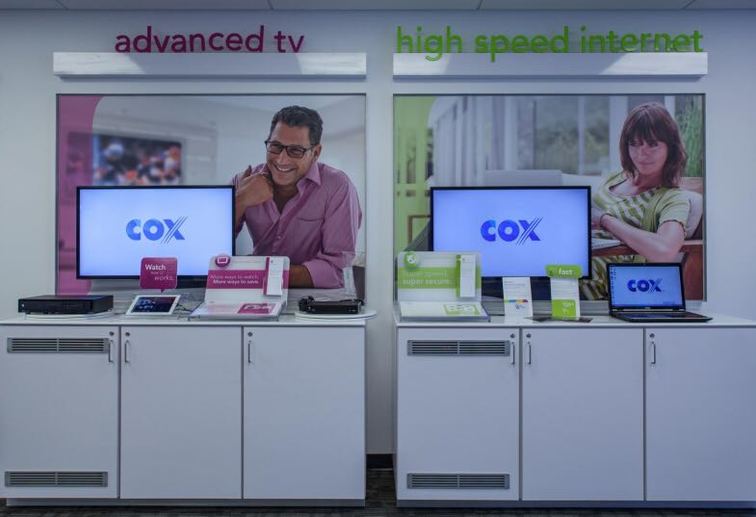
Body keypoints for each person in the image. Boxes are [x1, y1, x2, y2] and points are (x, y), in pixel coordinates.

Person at [232, 105, 362, 289]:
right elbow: (206, 250)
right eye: (276, 147)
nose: (281, 159)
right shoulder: (244, 182)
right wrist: (240, 200)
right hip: (254, 293)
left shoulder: (337, 187)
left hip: (312, 297)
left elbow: (338, 269)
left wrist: (258, 274)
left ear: (315, 153)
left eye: (295, 150)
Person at [583, 102, 691, 299]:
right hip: (570, 263)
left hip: (598, 284)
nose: (642, 154)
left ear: (671, 147)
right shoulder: (615, 179)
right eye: (634, 144)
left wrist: (605, 220)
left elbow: (664, 250)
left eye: (653, 144)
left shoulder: (672, 198)